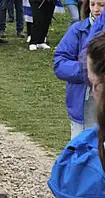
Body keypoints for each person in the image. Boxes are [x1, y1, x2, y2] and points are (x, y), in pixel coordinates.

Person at [48, 31, 105, 195]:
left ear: (97, 87)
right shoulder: (78, 29)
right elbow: (60, 62)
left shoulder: (82, 158)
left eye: (91, 82)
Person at [54, 0, 105, 138]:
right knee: (81, 149)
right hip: (83, 103)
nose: (96, 9)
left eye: (101, 5)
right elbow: (60, 63)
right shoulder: (78, 30)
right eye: (92, 4)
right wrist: (87, 71)